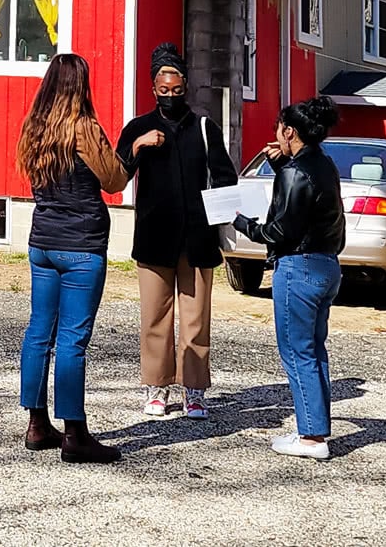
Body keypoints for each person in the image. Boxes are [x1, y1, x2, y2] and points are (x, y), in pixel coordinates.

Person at [15, 53, 129, 464]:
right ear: (81, 85)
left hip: (42, 241)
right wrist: (131, 150)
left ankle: (36, 423)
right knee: (72, 340)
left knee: (38, 334)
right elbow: (114, 180)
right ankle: (75, 434)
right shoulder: (84, 128)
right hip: (81, 245)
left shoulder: (35, 128)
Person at [116, 43, 237, 420]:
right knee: (155, 316)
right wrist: (138, 145)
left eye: (176, 90)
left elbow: (225, 178)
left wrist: (221, 215)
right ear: (153, 88)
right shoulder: (138, 127)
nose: (169, 96)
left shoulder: (203, 127)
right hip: (153, 237)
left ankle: (195, 389)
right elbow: (117, 176)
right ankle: (156, 387)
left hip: (197, 240)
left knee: (197, 318)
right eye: (162, 91)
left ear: (186, 86)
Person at [233, 96, 347, 460]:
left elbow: (280, 229)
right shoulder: (323, 164)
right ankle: (315, 427)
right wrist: (281, 167)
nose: (275, 135)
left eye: (277, 129)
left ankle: (311, 437)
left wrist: (240, 222)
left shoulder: (297, 172)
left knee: (297, 352)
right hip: (327, 264)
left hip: (299, 268)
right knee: (314, 350)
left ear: (289, 131)